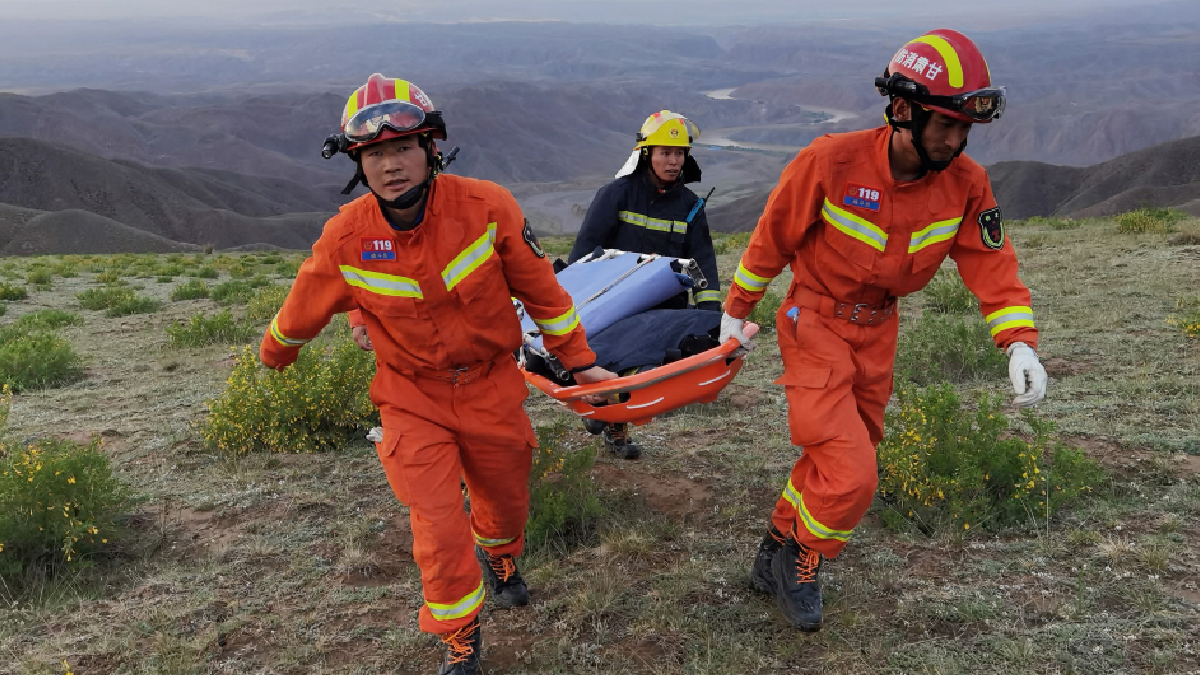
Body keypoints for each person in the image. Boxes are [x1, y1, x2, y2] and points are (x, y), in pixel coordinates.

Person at [260, 73, 616, 675]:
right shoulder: (347, 236)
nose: (390, 165)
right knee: (436, 523)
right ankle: (459, 636)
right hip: (410, 397)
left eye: (402, 148)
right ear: (358, 163)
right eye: (374, 154)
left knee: (504, 504)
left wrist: (581, 363)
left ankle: (500, 556)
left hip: (491, 386)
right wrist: (274, 356)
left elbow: (543, 294)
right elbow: (304, 303)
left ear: (430, 149)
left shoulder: (487, 207)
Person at [718, 30, 1048, 633]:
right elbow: (773, 237)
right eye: (945, 125)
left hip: (879, 333)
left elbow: (990, 264)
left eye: (964, 128)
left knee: (838, 458)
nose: (956, 139)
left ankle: (772, 550)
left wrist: (1019, 340)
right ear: (903, 110)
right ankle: (804, 561)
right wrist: (737, 309)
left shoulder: (967, 183)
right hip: (812, 322)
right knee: (852, 474)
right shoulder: (830, 162)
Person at [566, 110, 722, 459]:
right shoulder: (616, 195)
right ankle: (612, 424)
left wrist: (710, 314)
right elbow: (584, 251)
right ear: (646, 153)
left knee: (642, 369)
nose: (673, 160)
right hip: (615, 302)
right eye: (665, 152)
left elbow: (704, 260)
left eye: (679, 153)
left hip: (665, 309)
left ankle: (609, 415)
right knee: (613, 364)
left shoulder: (691, 207)